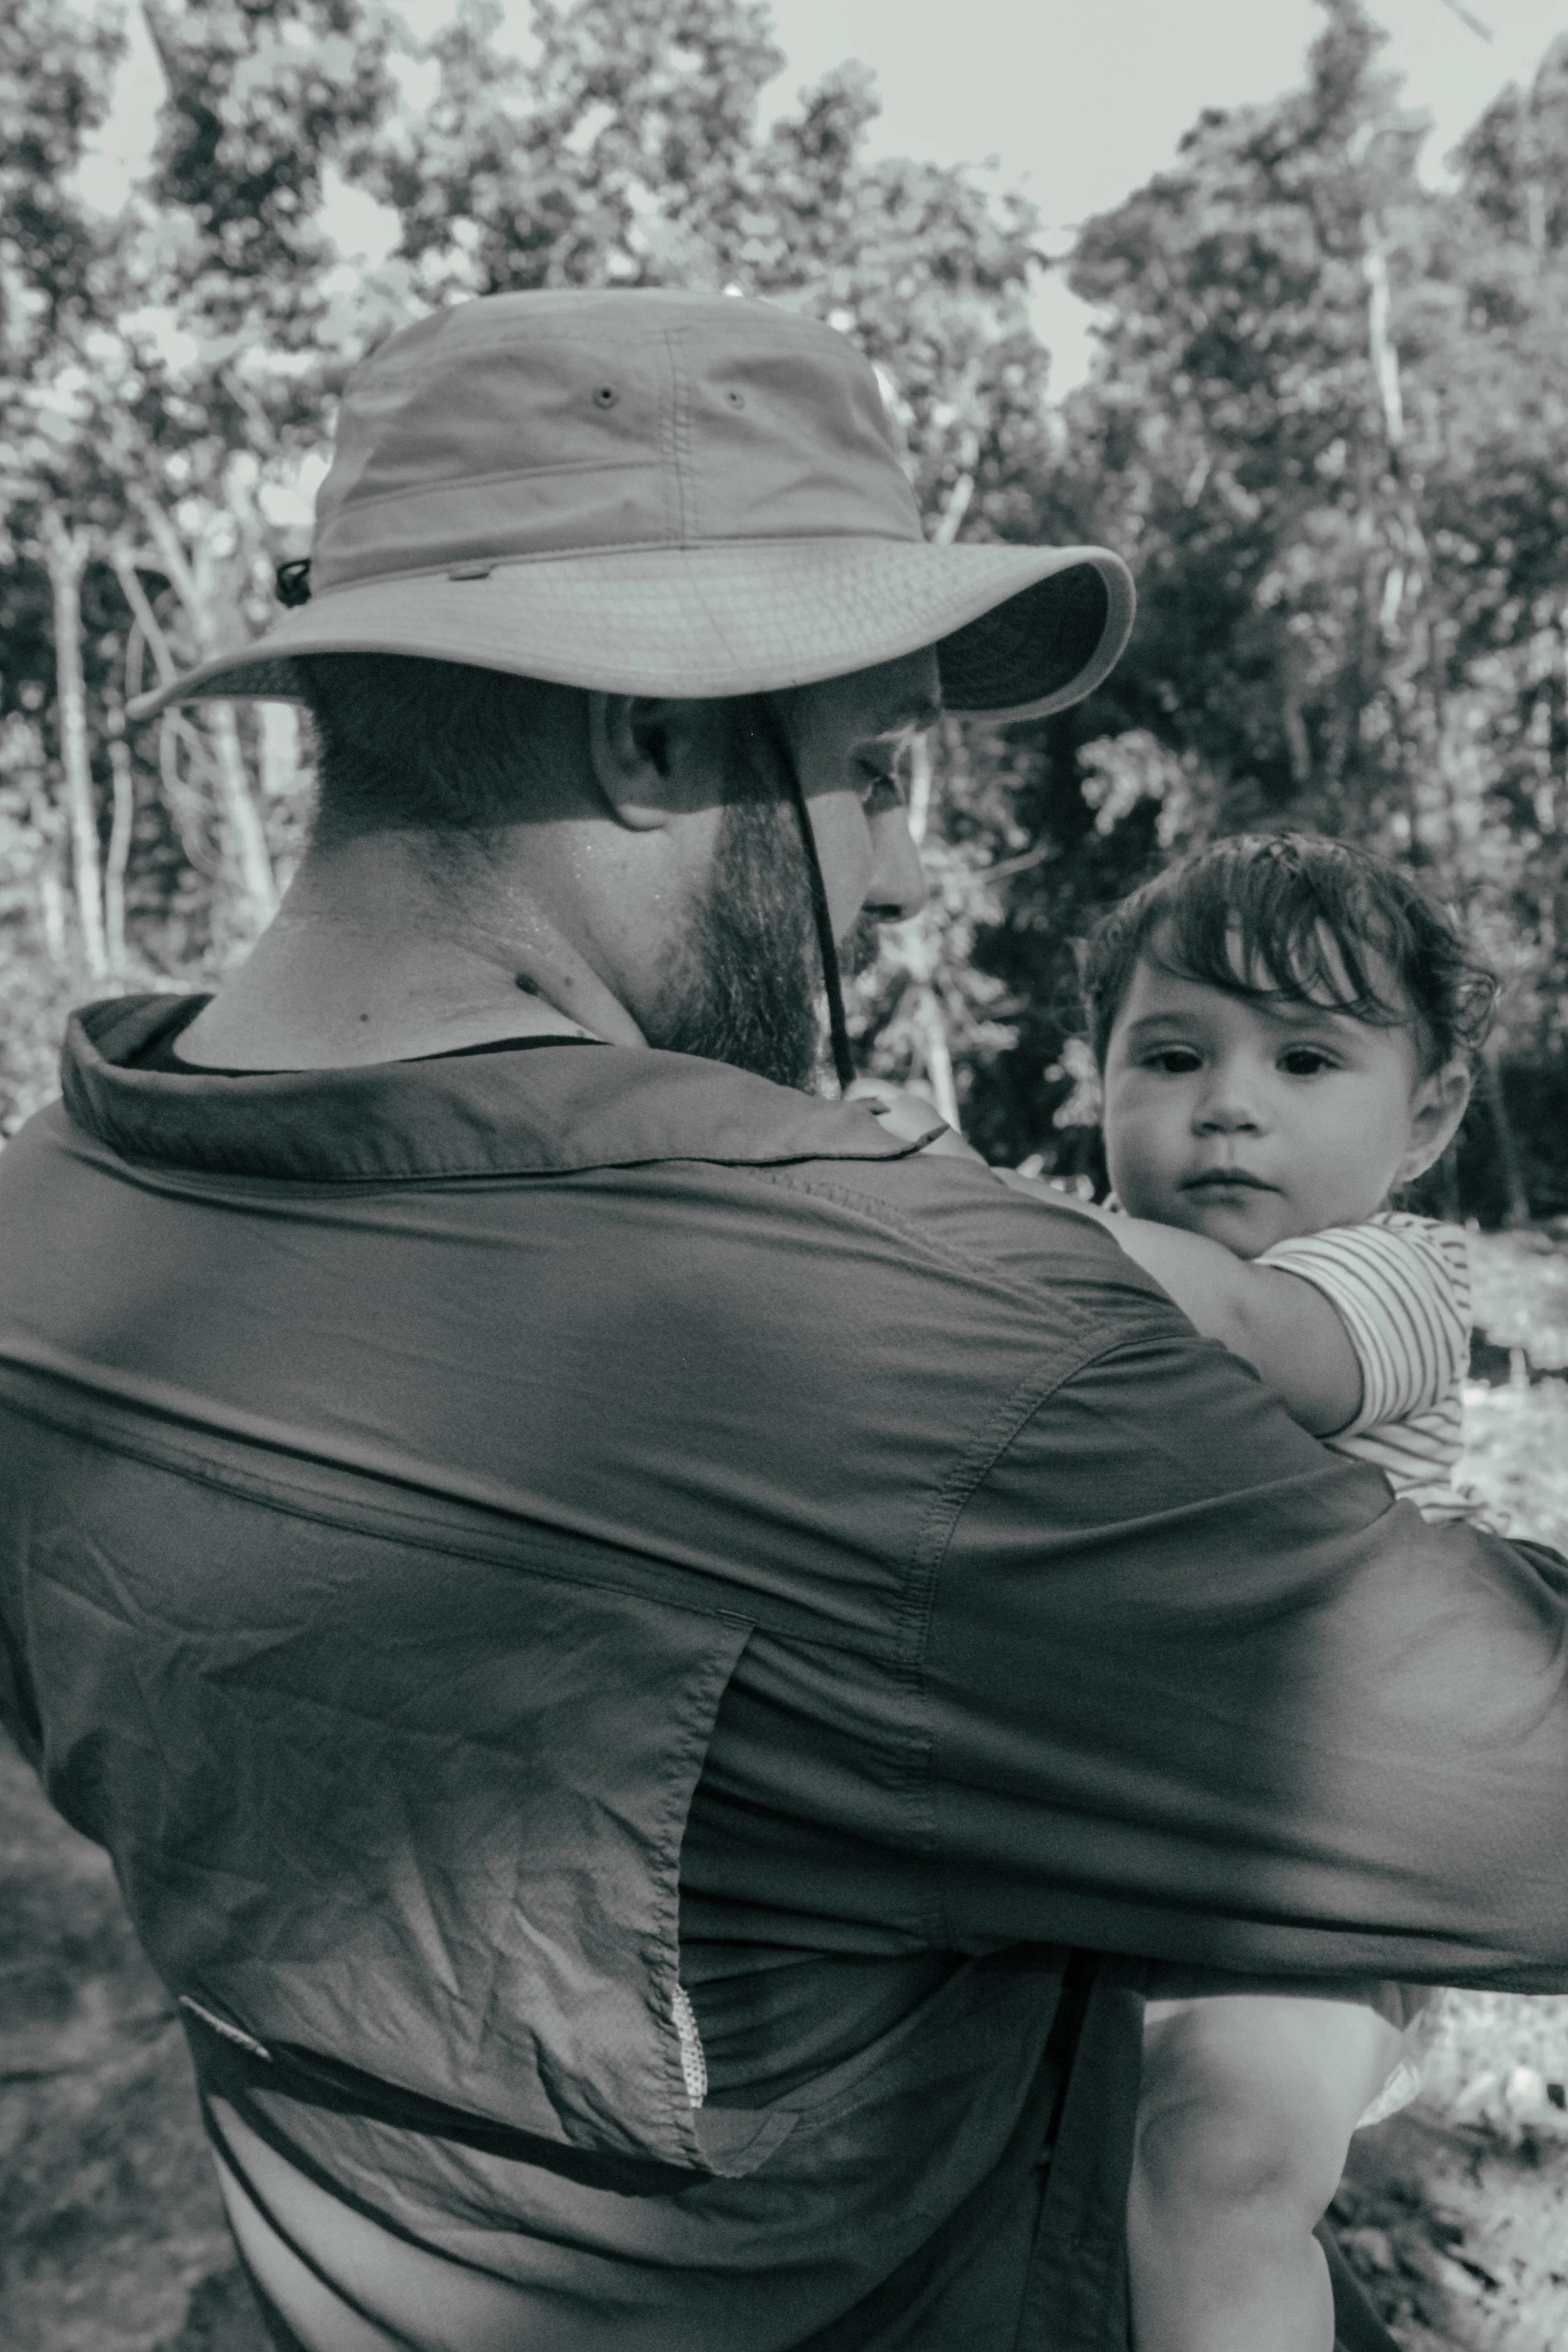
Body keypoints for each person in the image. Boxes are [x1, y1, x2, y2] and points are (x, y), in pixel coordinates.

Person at [1, 289, 1566, 2352]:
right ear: (652, 734)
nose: (910, 881)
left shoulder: (45, 1235)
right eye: (875, 777)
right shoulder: (910, 1352)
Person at [988, 834, 1493, 2351]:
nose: (1226, 1101)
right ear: (1099, 1082)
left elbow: (1238, 1327)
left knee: (1215, 2164)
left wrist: (942, 1213)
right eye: (1168, 1052)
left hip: (1315, 1866)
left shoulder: (1389, 1275)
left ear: (1428, 1117)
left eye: (1303, 1058)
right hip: (1110, 1831)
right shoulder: (1084, 1275)